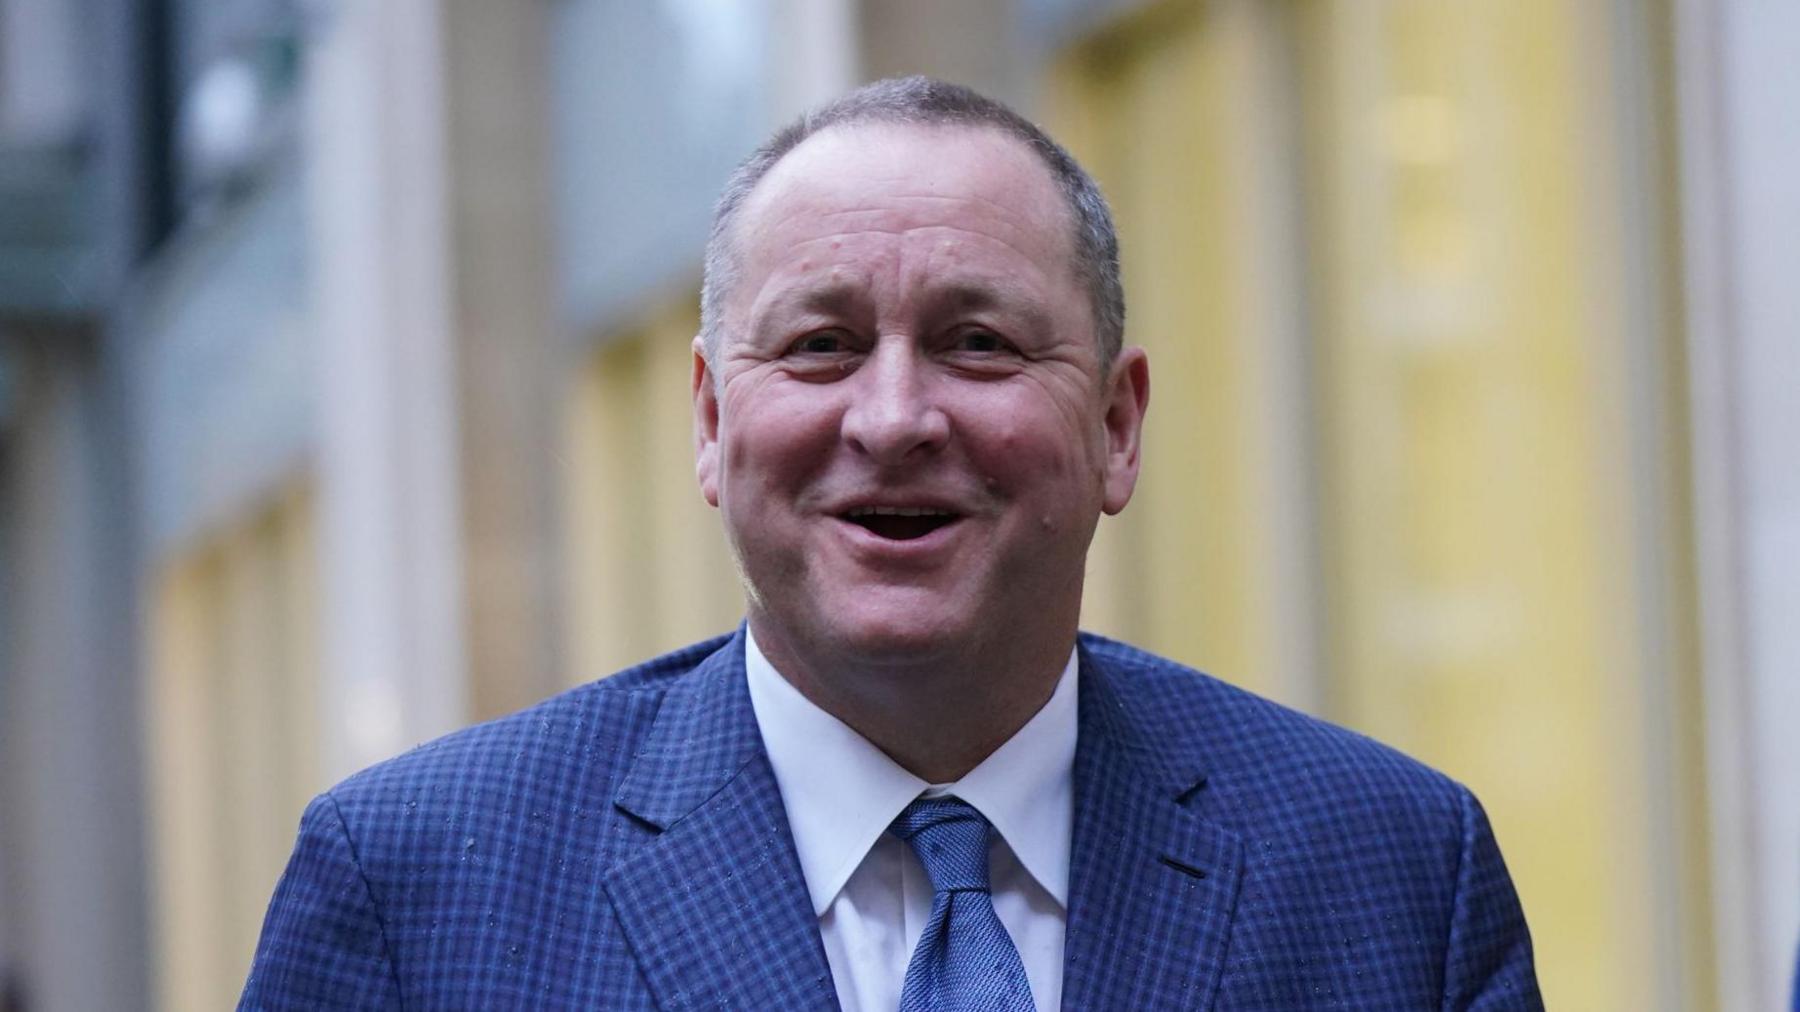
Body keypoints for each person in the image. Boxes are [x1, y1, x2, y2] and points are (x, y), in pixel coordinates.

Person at [241, 77, 1540, 1010]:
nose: (897, 416)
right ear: (709, 420)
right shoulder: (416, 891)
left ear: (1117, 425)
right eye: (821, 346)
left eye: (979, 341)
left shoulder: (1393, 876)